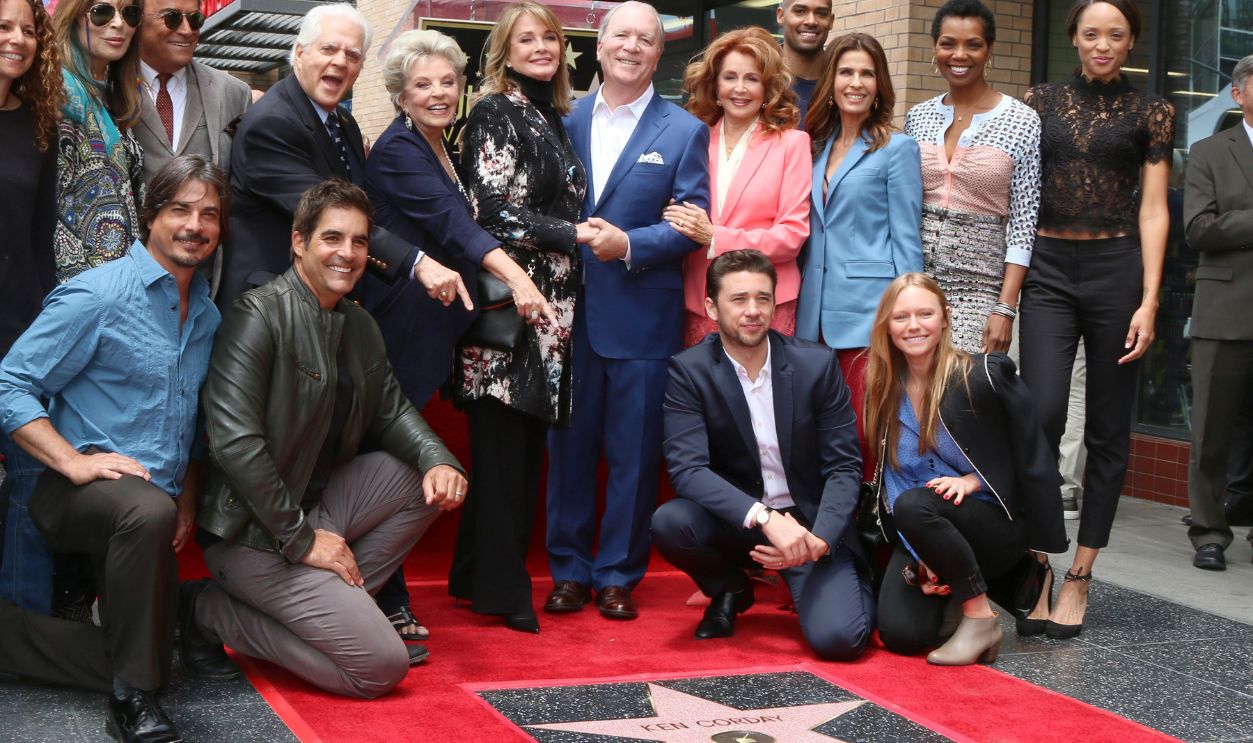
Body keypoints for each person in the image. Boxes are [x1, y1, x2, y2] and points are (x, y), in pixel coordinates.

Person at [189, 179, 468, 699]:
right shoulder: (259, 314)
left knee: (420, 478)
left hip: (319, 506)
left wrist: (438, 459)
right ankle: (209, 611)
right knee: (380, 667)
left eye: (360, 241)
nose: (348, 253)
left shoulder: (357, 323)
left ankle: (339, 609)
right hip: (254, 533)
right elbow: (235, 444)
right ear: (299, 242)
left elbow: (391, 409)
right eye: (332, 238)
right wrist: (300, 540)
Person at [0, 156, 228, 743]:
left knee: (150, 534)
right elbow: (11, 382)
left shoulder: (205, 315)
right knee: (143, 514)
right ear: (149, 216)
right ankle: (132, 694)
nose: (194, 225)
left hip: (149, 505)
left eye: (209, 214)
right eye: (180, 209)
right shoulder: (97, 295)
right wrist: (72, 461)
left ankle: (23, 639)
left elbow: (195, 422)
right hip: (70, 494)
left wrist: (187, 496)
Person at [544, 0, 710, 621]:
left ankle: (617, 574)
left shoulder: (684, 130)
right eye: (622, 36)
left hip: (642, 317)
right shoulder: (562, 118)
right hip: (567, 316)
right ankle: (569, 571)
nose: (632, 47)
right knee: (568, 452)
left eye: (646, 38)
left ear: (658, 52)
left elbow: (691, 226)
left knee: (634, 456)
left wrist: (631, 245)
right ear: (600, 43)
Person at [1019, 0, 1172, 638]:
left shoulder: (1151, 111)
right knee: (1042, 414)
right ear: (1074, 39)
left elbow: (1155, 210)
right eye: (1091, 33)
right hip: (1048, 269)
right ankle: (1037, 565)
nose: (1102, 44)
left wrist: (1150, 299)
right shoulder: (1038, 101)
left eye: (1115, 34)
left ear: (1131, 41)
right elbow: (1019, 187)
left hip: (1117, 270)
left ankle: (1079, 574)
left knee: (1108, 428)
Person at [652, 249, 873, 660]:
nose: (753, 311)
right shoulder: (690, 371)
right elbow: (687, 469)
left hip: (810, 525)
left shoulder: (816, 365)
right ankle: (732, 587)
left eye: (763, 298)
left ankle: (822, 578)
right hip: (744, 521)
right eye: (739, 299)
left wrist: (818, 541)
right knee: (672, 522)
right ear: (711, 308)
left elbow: (845, 467)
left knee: (840, 641)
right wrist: (766, 519)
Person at [451, 3, 587, 634]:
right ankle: (505, 593)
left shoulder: (555, 117)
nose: (541, 47)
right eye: (526, 39)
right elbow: (491, 210)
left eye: (550, 37)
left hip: (552, 307)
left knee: (522, 444)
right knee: (505, 446)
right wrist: (575, 233)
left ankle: (472, 574)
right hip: (513, 300)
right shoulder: (494, 111)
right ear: (503, 52)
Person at [865, 273, 1068, 665]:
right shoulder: (883, 387)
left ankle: (979, 617)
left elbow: (1028, 456)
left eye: (925, 314)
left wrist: (973, 480)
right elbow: (893, 481)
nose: (913, 326)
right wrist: (924, 553)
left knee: (913, 505)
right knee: (902, 635)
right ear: (886, 327)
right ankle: (955, 592)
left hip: (991, 525)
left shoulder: (983, 376)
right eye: (901, 317)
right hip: (923, 526)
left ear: (945, 317)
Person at [219, 2, 466, 310]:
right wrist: (417, 263)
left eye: (352, 55)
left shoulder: (343, 122)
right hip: (270, 303)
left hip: (322, 300)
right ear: (299, 52)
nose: (340, 61)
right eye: (329, 49)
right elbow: (328, 213)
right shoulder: (272, 122)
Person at [795, 31, 923, 481]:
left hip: (870, 312)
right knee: (819, 431)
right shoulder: (813, 147)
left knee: (862, 430)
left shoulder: (896, 148)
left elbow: (907, 238)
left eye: (866, 73)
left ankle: (866, 533)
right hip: (813, 314)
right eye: (846, 72)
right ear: (830, 82)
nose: (855, 82)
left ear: (880, 84)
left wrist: (909, 315)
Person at [904, 0, 1041, 354]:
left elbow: (1024, 223)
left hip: (981, 288)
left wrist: (1005, 307)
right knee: (913, 397)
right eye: (948, 43)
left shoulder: (1021, 121)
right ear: (935, 48)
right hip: (916, 284)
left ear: (989, 49)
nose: (959, 54)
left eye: (973, 44)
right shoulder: (918, 118)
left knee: (963, 396)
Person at [665, 26, 811, 347]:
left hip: (763, 303)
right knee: (704, 395)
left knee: (760, 396)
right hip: (703, 300)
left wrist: (717, 237)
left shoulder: (792, 144)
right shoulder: (691, 140)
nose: (740, 88)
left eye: (752, 79)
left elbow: (791, 236)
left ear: (767, 88)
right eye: (730, 77)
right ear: (715, 85)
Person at [0, 0, 62, 613]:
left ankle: (24, 632)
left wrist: (43, 336)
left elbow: (40, 243)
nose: (18, 39)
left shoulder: (36, 122)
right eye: (4, 27)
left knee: (30, 483)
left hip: (18, 337)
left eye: (28, 29)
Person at [1183, 53, 1253, 571]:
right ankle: (1209, 532)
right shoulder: (1209, 151)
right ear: (1239, 93)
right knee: (1211, 431)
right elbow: (1199, 228)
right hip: (1225, 309)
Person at [51, 0, 146, 282]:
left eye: (130, 13)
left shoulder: (109, 95)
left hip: (116, 282)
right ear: (74, 17)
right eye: (102, 12)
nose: (118, 23)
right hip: (75, 287)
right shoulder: (59, 90)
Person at [135, 0, 251, 181]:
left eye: (195, 19)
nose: (187, 30)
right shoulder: (106, 88)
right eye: (171, 18)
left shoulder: (234, 93)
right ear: (137, 19)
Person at [776, 0, 833, 125]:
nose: (811, 21)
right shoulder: (761, 78)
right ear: (781, 16)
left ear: (831, 21)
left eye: (821, 13)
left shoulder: (843, 83)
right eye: (800, 11)